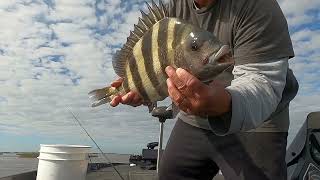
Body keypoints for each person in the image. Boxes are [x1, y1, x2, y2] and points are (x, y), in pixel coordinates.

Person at [110, 0, 299, 179]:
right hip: (195, 117)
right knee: (170, 174)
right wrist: (142, 89)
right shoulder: (170, 12)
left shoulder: (257, 5)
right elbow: (154, 69)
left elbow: (262, 80)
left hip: (258, 119)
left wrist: (222, 104)